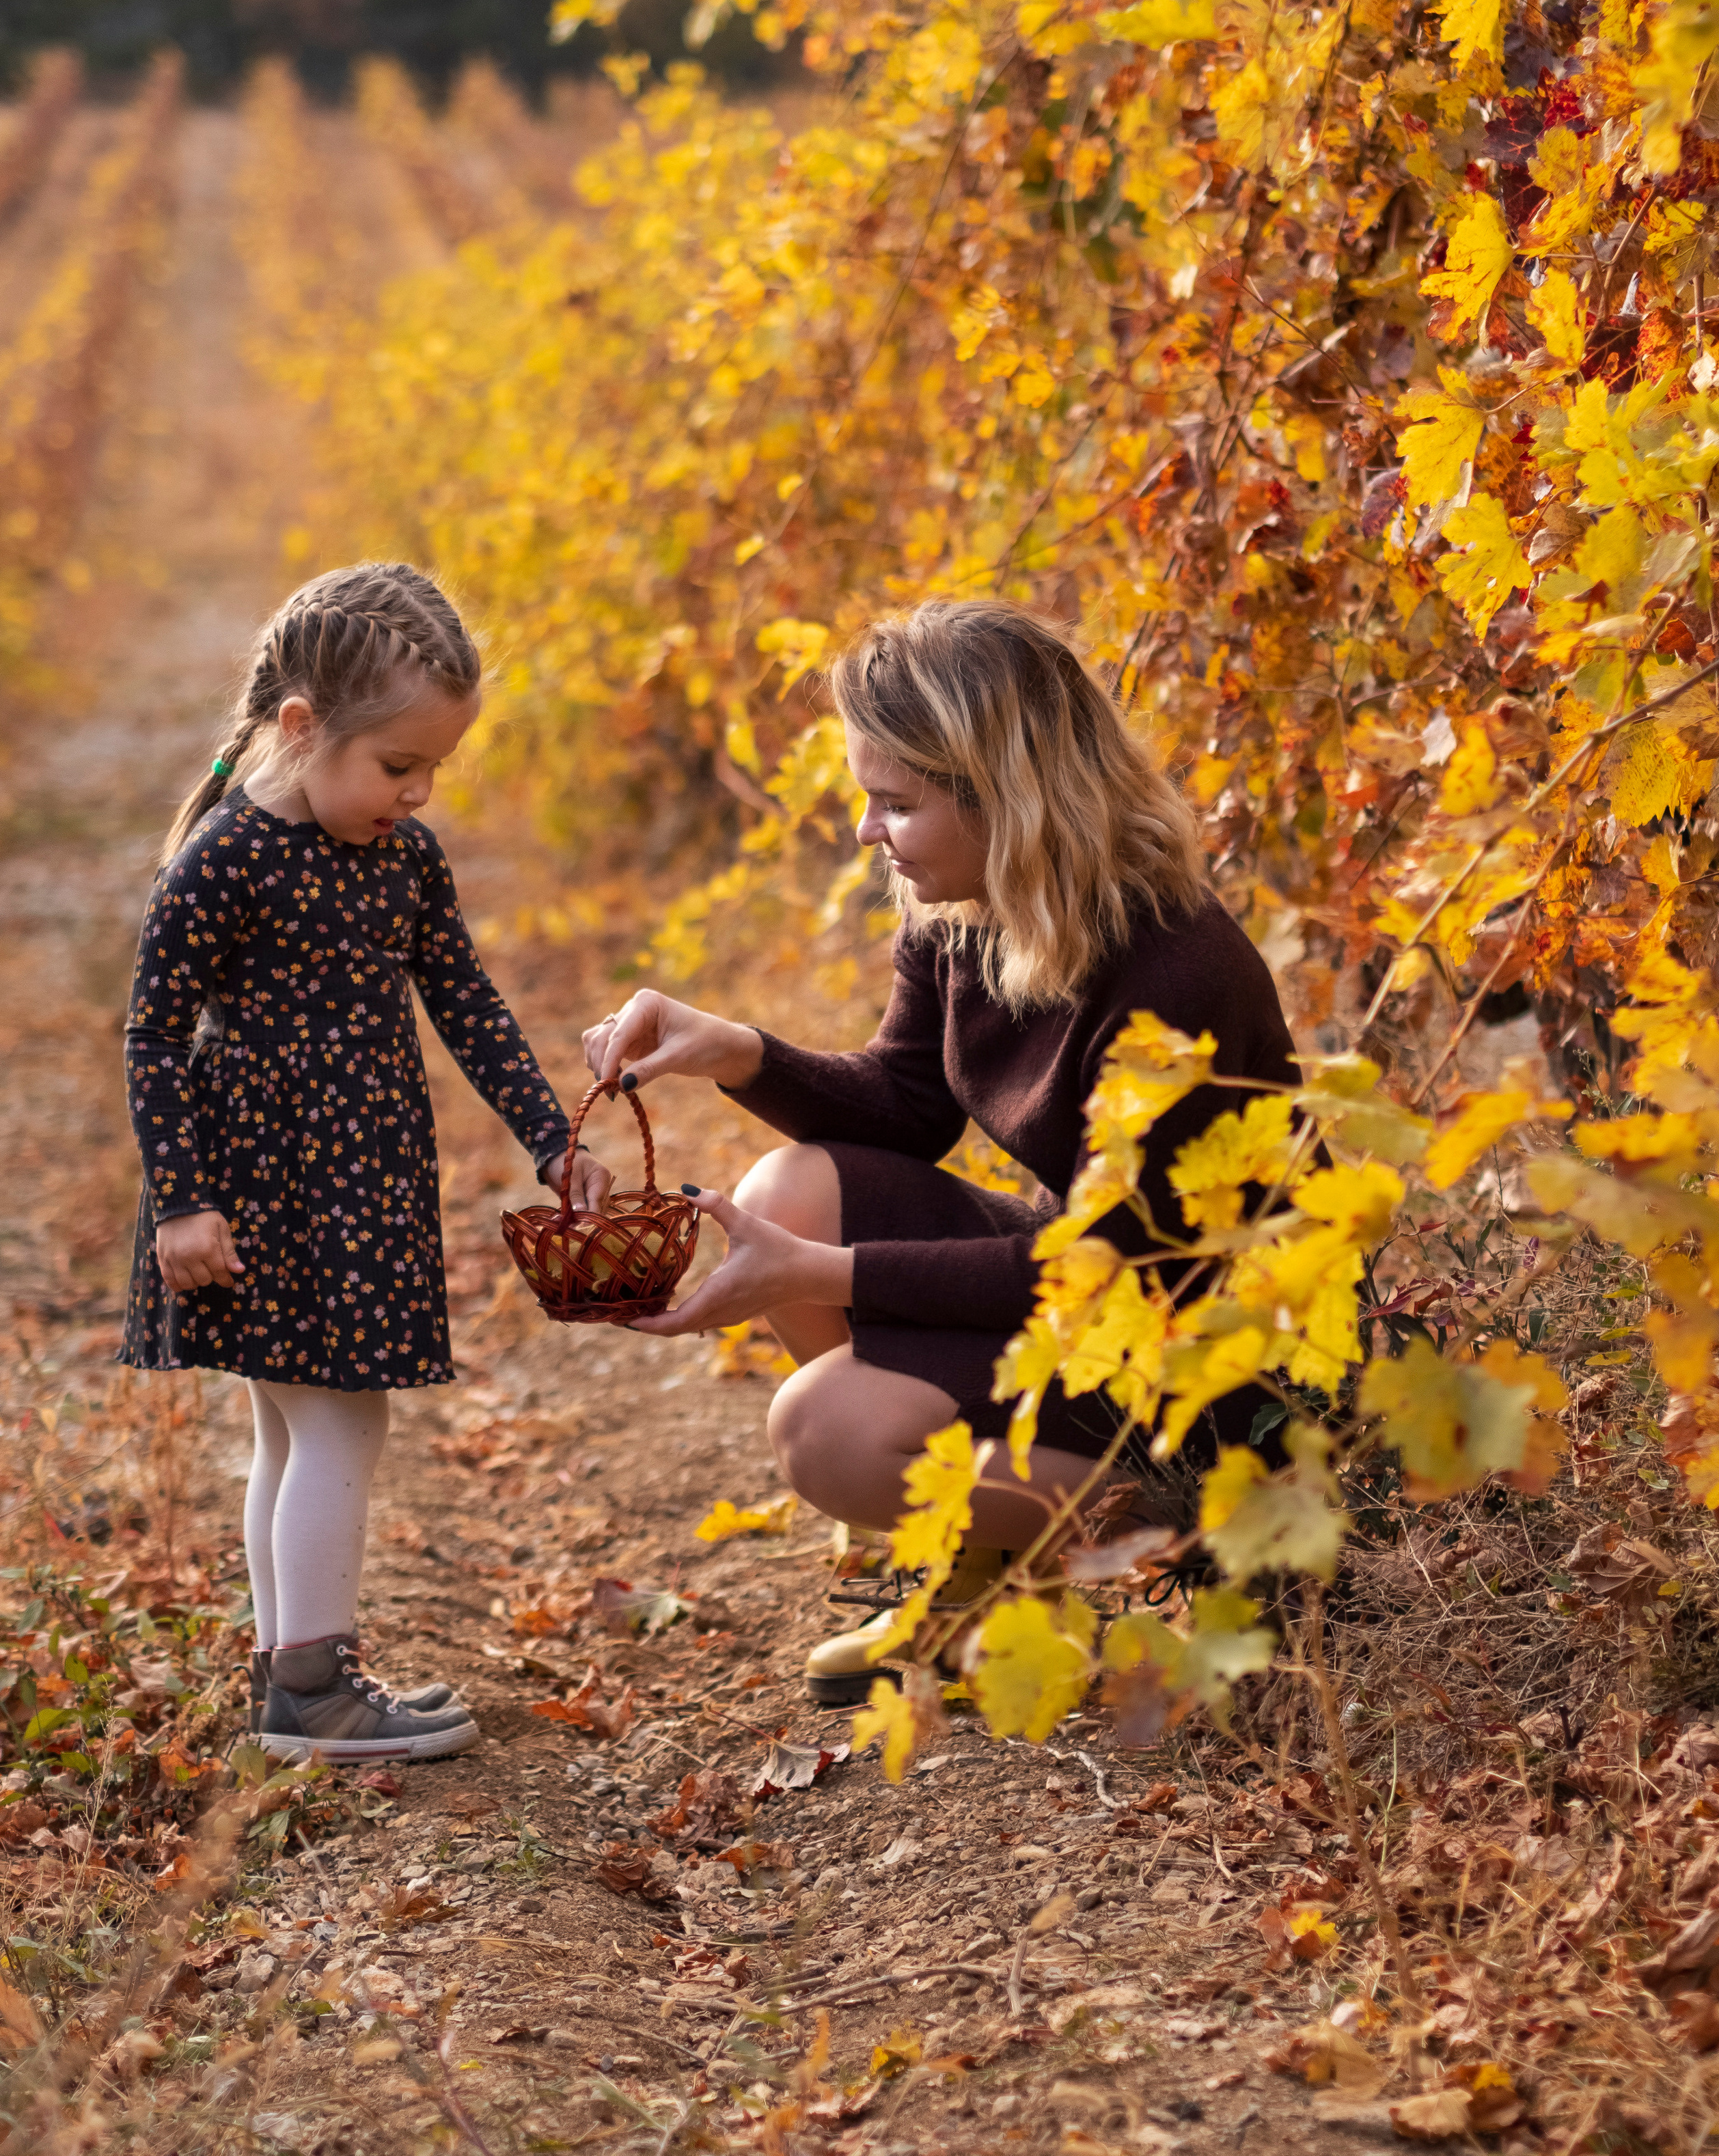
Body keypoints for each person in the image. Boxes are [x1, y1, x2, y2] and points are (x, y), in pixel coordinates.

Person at [583, 597, 1295, 1703]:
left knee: (828, 1428)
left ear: (1004, 797)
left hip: (1215, 1369)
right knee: (796, 1187)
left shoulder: (1175, 974)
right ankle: (988, 1600)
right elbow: (911, 1105)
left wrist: (817, 1277)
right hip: (1099, 1309)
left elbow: (1117, 1265)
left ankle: (1212, 1525)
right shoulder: (968, 910)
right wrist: (732, 1051)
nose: (869, 832)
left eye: (894, 804)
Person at [120, 562, 613, 1760]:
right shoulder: (225, 861)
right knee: (336, 1424)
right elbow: (151, 1032)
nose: (419, 792)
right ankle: (309, 1685)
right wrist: (180, 1201)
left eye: (435, 768)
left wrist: (550, 1137)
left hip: (363, 1183)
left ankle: (294, 1674)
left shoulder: (404, 861)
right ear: (300, 729)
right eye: (398, 766)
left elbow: (464, 999)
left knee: (299, 1431)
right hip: (262, 1193)